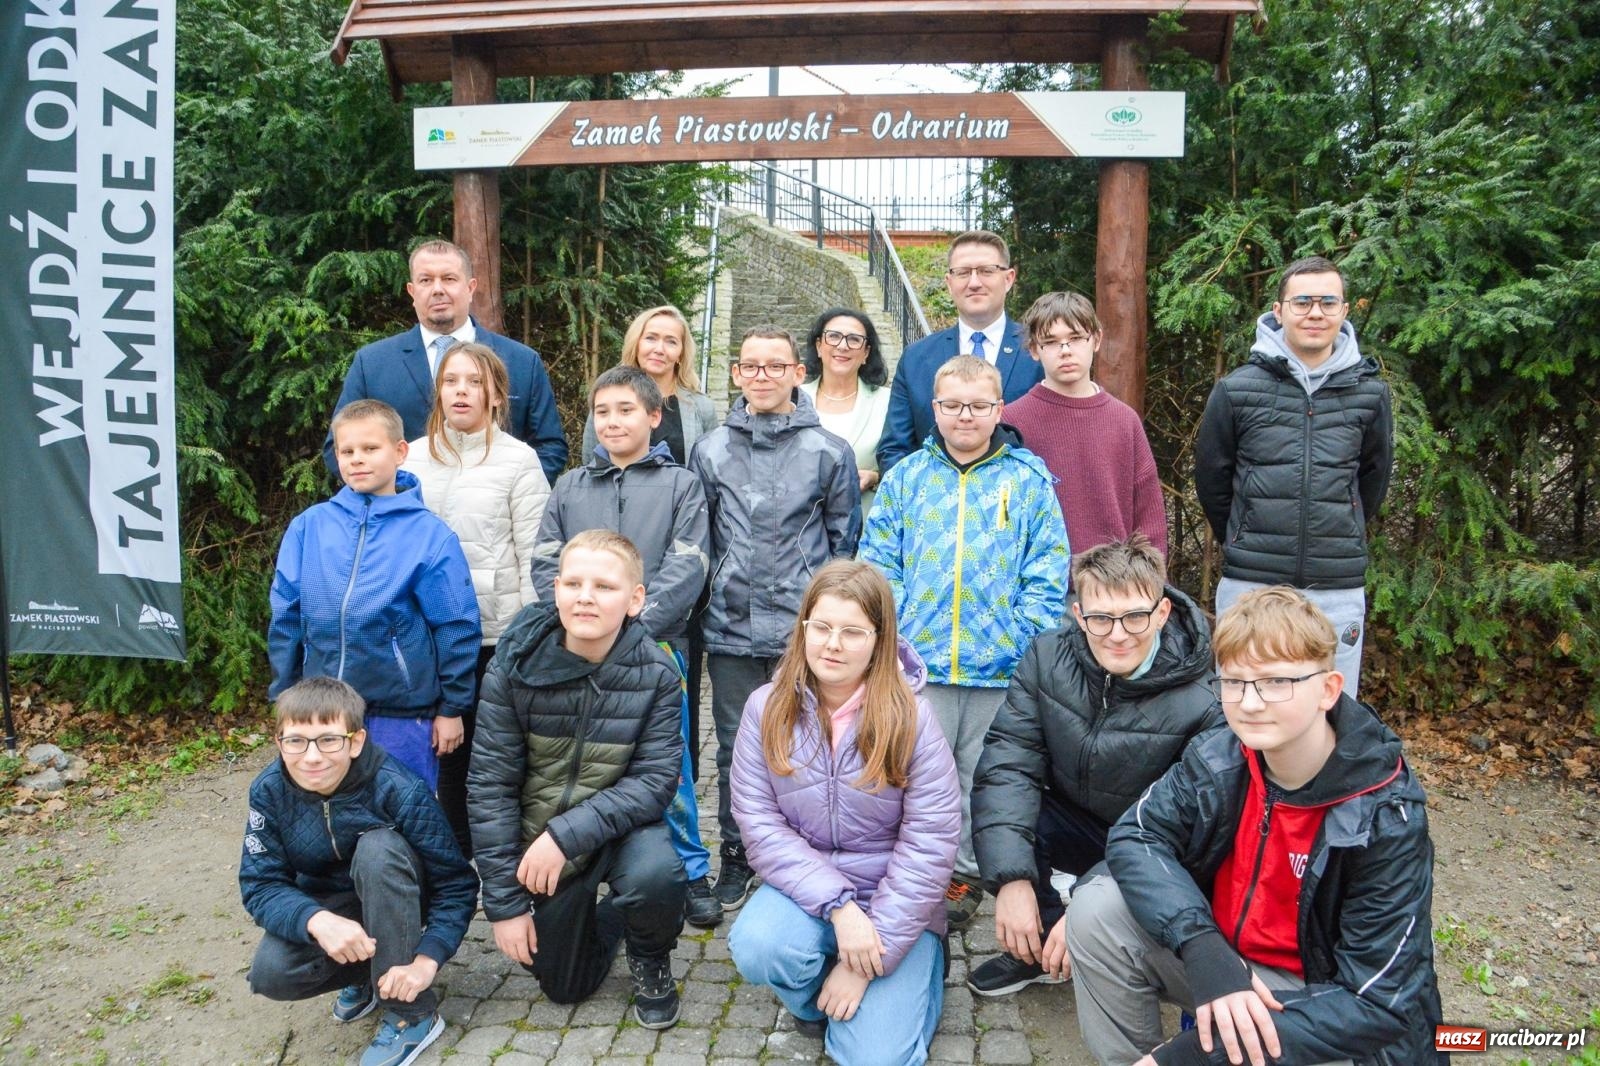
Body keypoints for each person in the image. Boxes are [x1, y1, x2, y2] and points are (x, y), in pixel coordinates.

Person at [1067, 587, 1445, 1066]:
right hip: (1225, 964)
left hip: (1322, 1004)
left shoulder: (1384, 814)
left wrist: (1190, 1057)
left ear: (1328, 689)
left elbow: (1376, 1003)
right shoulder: (1219, 756)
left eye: (1274, 682)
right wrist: (1201, 945)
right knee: (1097, 908)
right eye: (1234, 682)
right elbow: (1136, 834)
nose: (1249, 703)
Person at [860, 354, 1068, 930]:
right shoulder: (906, 478)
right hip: (917, 665)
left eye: (977, 406)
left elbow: (1047, 572)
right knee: (917, 772)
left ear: (998, 409)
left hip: (998, 669)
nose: (964, 417)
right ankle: (913, 865)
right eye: (952, 406)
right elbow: (879, 564)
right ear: (936, 409)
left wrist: (1023, 638)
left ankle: (967, 871)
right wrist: (897, 636)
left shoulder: (1027, 480)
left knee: (983, 774)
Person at [968, 535, 1222, 998]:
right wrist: (1012, 880)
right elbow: (1009, 764)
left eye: (1135, 617)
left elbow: (1187, 830)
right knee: (1018, 821)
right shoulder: (1047, 658)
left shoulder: (1206, 700)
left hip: (1156, 842)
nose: (1118, 634)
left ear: (1162, 613)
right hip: (1078, 817)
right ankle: (1039, 948)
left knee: (1108, 904)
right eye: (1101, 618)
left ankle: (1113, 950)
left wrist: (1087, 907)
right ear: (1079, 614)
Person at [728, 561, 960, 1066]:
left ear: (879, 639)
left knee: (876, 1059)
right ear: (804, 628)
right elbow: (759, 824)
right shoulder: (764, 709)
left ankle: (909, 973)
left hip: (895, 901)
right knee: (758, 945)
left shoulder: (912, 718)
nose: (833, 644)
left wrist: (866, 962)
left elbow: (931, 844)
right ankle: (819, 1004)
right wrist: (839, 907)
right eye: (822, 627)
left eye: (852, 632)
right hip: (810, 890)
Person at [469, 530, 688, 1028]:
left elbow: (655, 781)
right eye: (573, 583)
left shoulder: (656, 671)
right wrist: (504, 905)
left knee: (657, 874)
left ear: (635, 600)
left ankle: (651, 954)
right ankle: (603, 920)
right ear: (556, 589)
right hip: (537, 840)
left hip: (615, 832)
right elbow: (490, 787)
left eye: (604, 587)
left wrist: (565, 836)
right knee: (566, 986)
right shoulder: (512, 667)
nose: (585, 596)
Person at [530, 365, 719, 929]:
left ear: (654, 417)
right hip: (577, 649)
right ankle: (583, 863)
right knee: (582, 759)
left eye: (626, 410)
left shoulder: (681, 484)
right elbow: (546, 561)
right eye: (602, 411)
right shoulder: (569, 486)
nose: (613, 421)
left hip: (657, 649)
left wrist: (630, 631)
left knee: (671, 764)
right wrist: (581, 626)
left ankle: (690, 870)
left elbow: (689, 564)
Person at [688, 325, 861, 912]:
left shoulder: (828, 451)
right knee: (735, 747)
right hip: (732, 626)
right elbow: (702, 539)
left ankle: (805, 854)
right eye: (750, 367)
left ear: (796, 373)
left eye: (774, 366)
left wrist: (825, 618)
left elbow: (844, 544)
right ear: (736, 375)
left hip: (802, 633)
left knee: (809, 743)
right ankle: (736, 855)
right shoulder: (709, 450)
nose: (762, 376)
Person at [241, 677, 478, 1066]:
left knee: (377, 848)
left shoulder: (399, 788)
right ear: (279, 741)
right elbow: (260, 884)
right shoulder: (268, 790)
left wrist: (426, 959)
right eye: (296, 740)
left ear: (356, 741)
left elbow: (457, 885)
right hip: (334, 904)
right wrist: (315, 920)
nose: (311, 757)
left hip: (400, 894)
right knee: (271, 974)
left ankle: (411, 1014)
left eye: (329, 739)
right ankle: (365, 977)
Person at [1195, 255, 1393, 697]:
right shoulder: (1237, 389)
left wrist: (1342, 528)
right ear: (1279, 310)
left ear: (1344, 311)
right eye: (1302, 301)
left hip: (1336, 583)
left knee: (1334, 709)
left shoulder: (1370, 394)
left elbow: (1372, 480)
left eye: (1327, 301)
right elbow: (1212, 480)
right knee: (1244, 706)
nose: (1315, 312)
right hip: (1252, 581)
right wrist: (1245, 537)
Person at [269, 399, 481, 790]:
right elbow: (286, 616)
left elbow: (456, 626)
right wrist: (285, 696)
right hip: (323, 712)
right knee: (325, 811)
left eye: (370, 449)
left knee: (403, 812)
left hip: (401, 712)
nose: (357, 460)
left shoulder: (429, 536)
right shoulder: (309, 527)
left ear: (400, 452)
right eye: (347, 451)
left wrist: (452, 708)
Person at [402, 342, 550, 856]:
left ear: (495, 394)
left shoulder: (519, 461)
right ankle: (448, 864)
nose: (461, 390)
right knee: (438, 758)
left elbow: (536, 555)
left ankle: (501, 859)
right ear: (438, 391)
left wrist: (533, 637)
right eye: (450, 381)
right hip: (422, 637)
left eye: (474, 381)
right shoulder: (412, 458)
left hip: (494, 635)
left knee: (489, 758)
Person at [325, 239, 567, 484]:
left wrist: (502, 492)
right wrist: (395, 499)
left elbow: (550, 447)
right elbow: (338, 446)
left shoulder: (521, 362)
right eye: (426, 280)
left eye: (449, 279)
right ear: (412, 291)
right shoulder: (372, 364)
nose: (438, 289)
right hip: (400, 515)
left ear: (471, 287)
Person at [1004, 292, 1167, 557]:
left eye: (1076, 338)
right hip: (1037, 592)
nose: (1066, 350)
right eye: (1051, 342)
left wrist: (1149, 585)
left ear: (1096, 339)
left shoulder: (1124, 420)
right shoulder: (1012, 422)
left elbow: (1148, 517)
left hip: (1115, 587)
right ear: (1034, 349)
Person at [876, 230, 1042, 473]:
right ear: (949, 282)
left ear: (1008, 278)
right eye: (963, 272)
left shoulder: (1038, 351)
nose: (974, 282)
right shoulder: (917, 358)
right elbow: (894, 448)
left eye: (986, 271)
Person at [581, 305, 717, 466]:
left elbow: (711, 471)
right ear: (636, 344)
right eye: (651, 338)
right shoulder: (607, 399)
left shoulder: (701, 408)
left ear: (681, 353)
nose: (659, 349)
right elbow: (591, 464)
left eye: (671, 342)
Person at [799, 307, 895, 515]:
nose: (843, 346)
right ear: (818, 346)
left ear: (866, 353)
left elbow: (905, 459)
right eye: (833, 336)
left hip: (866, 526)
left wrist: (875, 478)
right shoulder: (793, 400)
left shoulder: (888, 402)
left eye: (854, 339)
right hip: (802, 528)